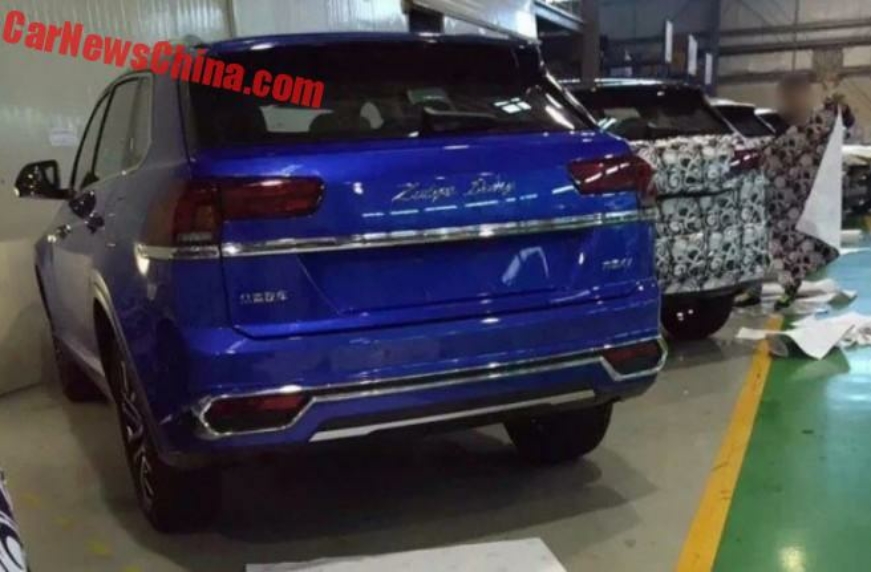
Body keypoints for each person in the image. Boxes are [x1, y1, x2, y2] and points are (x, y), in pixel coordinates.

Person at [763, 72, 850, 309]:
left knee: (794, 246)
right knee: (774, 245)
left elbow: (837, 125)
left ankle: (790, 287)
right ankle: (767, 287)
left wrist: (840, 111)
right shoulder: (773, 124)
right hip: (777, 201)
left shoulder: (812, 125)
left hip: (799, 200)